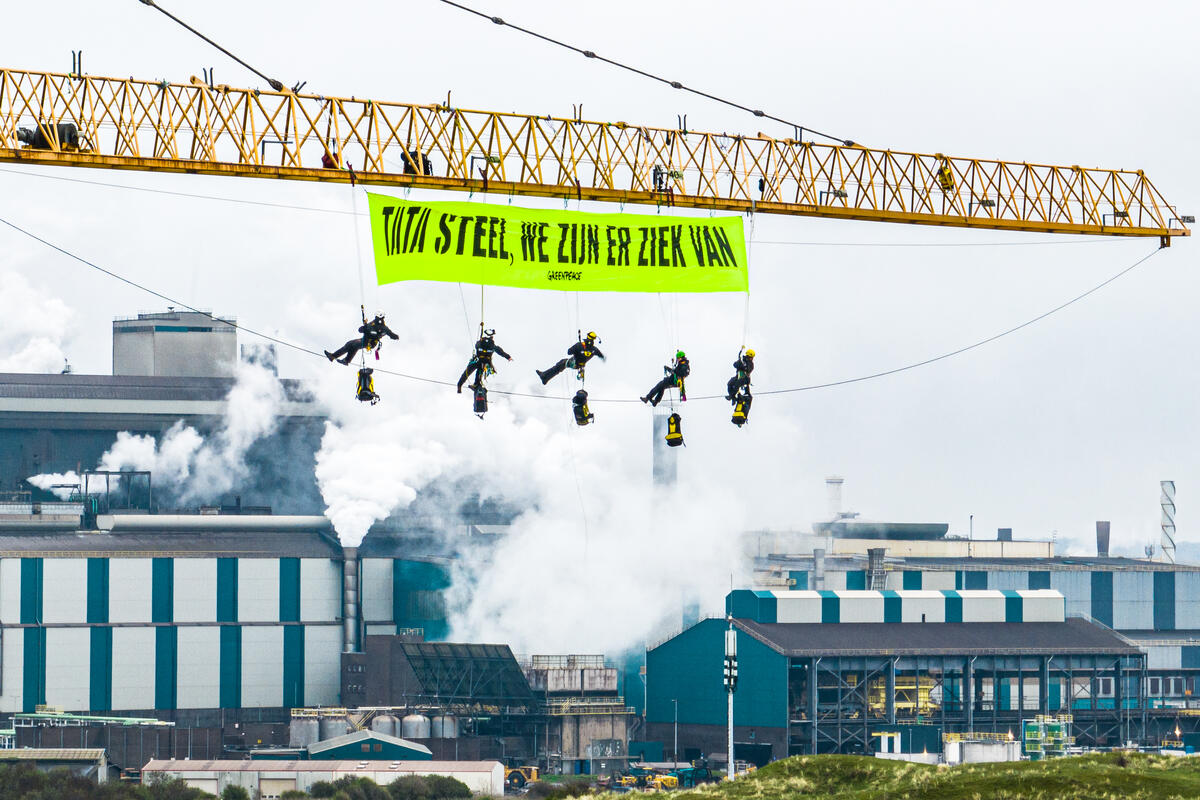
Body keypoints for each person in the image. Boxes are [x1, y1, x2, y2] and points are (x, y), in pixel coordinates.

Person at [325, 314, 400, 365]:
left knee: (353, 345)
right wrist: (364, 327)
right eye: (376, 317)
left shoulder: (384, 328)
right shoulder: (373, 323)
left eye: (378, 318)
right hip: (365, 339)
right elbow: (361, 330)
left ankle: (343, 359)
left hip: (370, 343)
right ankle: (337, 357)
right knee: (350, 344)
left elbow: (391, 335)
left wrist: (396, 336)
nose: (376, 319)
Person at [536, 331, 605, 385]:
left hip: (574, 363)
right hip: (580, 365)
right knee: (562, 363)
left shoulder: (579, 345)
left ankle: (544, 376)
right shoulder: (595, 349)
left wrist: (577, 348)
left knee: (561, 364)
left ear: (587, 337)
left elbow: (569, 352)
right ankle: (545, 377)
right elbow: (601, 356)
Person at [457, 328, 513, 393]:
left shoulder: (480, 343)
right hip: (483, 362)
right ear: (492, 337)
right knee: (478, 372)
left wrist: (482, 340)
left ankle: (460, 385)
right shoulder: (492, 346)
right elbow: (500, 352)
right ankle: (474, 384)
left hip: (477, 361)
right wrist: (508, 357)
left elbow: (477, 346)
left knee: (467, 373)